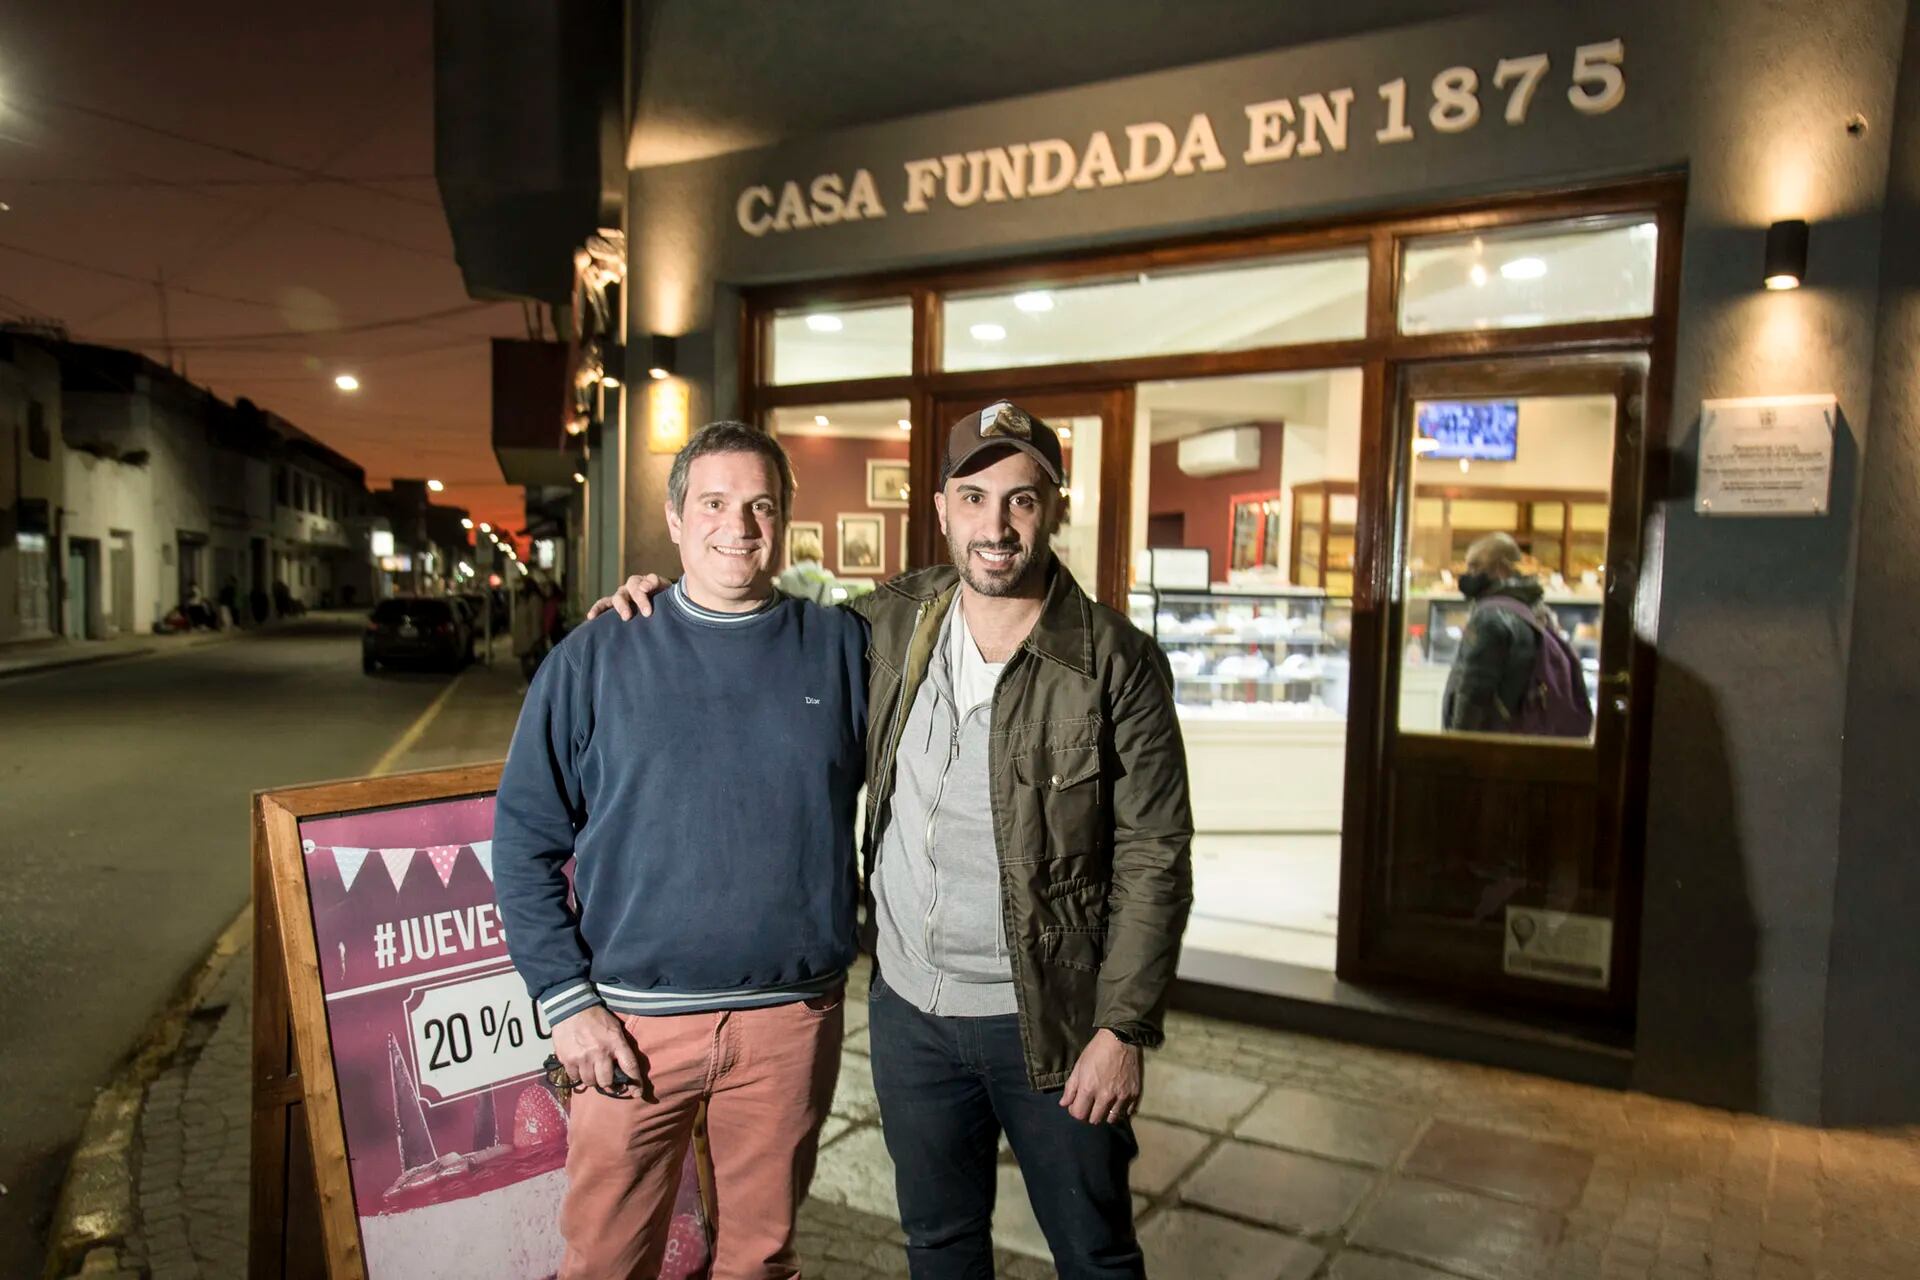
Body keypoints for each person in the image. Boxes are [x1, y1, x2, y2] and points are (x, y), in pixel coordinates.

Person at [596, 402, 1194, 1278]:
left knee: (1096, 1253)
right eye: (975, 496)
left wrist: (1124, 1028)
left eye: (1022, 500)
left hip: (1054, 1020)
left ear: (1052, 509)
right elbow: (755, 619)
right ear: (943, 508)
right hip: (912, 1011)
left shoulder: (1116, 662)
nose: (997, 525)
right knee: (939, 1244)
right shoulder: (886, 625)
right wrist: (654, 605)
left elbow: (1155, 856)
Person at [492, 422, 867, 1278]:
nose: (738, 525)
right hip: (630, 1027)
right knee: (606, 1261)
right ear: (674, 518)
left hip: (788, 1023)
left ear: (784, 522)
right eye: (715, 503)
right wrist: (566, 1002)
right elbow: (523, 841)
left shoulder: (841, 647)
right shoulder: (594, 656)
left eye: (760, 505)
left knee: (759, 1260)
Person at [1442, 531, 1592, 736]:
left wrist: (1457, 743)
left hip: (1491, 742)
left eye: (1476, 567)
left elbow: (1474, 693)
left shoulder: (1489, 619)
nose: (1468, 575)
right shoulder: (1534, 610)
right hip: (1524, 738)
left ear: (1502, 569)